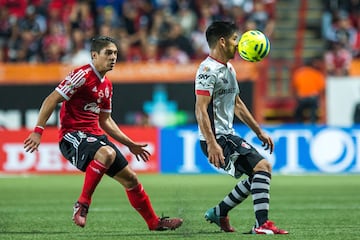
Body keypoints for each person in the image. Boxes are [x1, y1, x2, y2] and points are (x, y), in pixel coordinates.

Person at [23, 36, 183, 231]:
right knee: (107, 153)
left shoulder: (107, 85)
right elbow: (50, 100)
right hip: (72, 136)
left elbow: (105, 121)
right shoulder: (81, 75)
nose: (113, 57)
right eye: (108, 53)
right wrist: (38, 131)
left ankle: (153, 222)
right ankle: (82, 204)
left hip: (94, 136)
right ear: (94, 55)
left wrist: (130, 143)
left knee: (131, 178)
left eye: (115, 53)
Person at [194, 21, 288, 234]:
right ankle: (261, 225)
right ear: (222, 41)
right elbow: (200, 109)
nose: (238, 43)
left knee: (259, 174)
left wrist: (259, 131)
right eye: (235, 38)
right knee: (263, 167)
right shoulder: (207, 70)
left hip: (227, 135)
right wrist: (212, 143)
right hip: (218, 138)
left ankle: (220, 211)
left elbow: (237, 104)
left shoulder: (228, 68)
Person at [292, 57, 326, 124]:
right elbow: (322, 87)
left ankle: (299, 124)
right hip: (313, 98)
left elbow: (295, 85)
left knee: (298, 112)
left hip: (302, 98)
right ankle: (312, 124)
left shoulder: (299, 73)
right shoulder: (317, 73)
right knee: (313, 111)